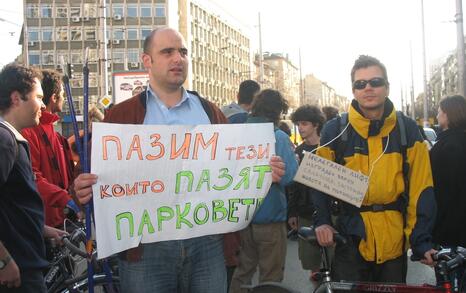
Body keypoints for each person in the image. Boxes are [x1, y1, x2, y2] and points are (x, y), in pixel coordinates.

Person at [72, 27, 286, 293]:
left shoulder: (210, 112)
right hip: (145, 251)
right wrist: (81, 188)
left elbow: (234, 168)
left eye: (183, 52)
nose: (178, 59)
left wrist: (263, 172)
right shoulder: (122, 115)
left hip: (207, 244)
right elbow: (90, 174)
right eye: (167, 52)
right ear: (147, 61)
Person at [312, 55, 436, 283]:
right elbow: (318, 183)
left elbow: (421, 187)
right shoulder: (335, 130)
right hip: (350, 237)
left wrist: (421, 240)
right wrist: (323, 221)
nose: (368, 88)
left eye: (375, 82)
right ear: (354, 91)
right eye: (360, 84)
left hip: (393, 240)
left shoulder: (406, 128)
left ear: (387, 88)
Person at [0, 63, 66, 292]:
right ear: (16, 98)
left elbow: (10, 206)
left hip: (24, 262)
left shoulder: (11, 137)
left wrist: (41, 227)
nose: (43, 104)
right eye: (38, 97)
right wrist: (4, 262)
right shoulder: (4, 139)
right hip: (17, 269)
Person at [229, 89, 298, 293]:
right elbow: (288, 177)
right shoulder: (278, 137)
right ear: (278, 112)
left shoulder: (237, 134)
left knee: (242, 272)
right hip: (270, 218)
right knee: (271, 276)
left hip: (241, 217)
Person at [21, 69, 78, 228]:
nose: (65, 100)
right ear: (54, 97)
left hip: (61, 220)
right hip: (43, 222)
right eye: (38, 98)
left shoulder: (54, 133)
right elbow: (33, 178)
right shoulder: (28, 132)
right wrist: (66, 199)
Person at [287, 104, 328, 281]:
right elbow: (294, 186)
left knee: (334, 260)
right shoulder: (298, 150)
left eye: (304, 124)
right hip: (305, 211)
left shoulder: (328, 148)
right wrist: (292, 212)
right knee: (310, 260)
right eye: (298, 124)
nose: (300, 128)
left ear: (316, 125)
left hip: (328, 212)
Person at [430, 95, 466, 286]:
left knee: (447, 283)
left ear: (448, 115)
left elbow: (439, 194)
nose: (437, 116)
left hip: (449, 231)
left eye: (439, 112)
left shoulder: (444, 147)